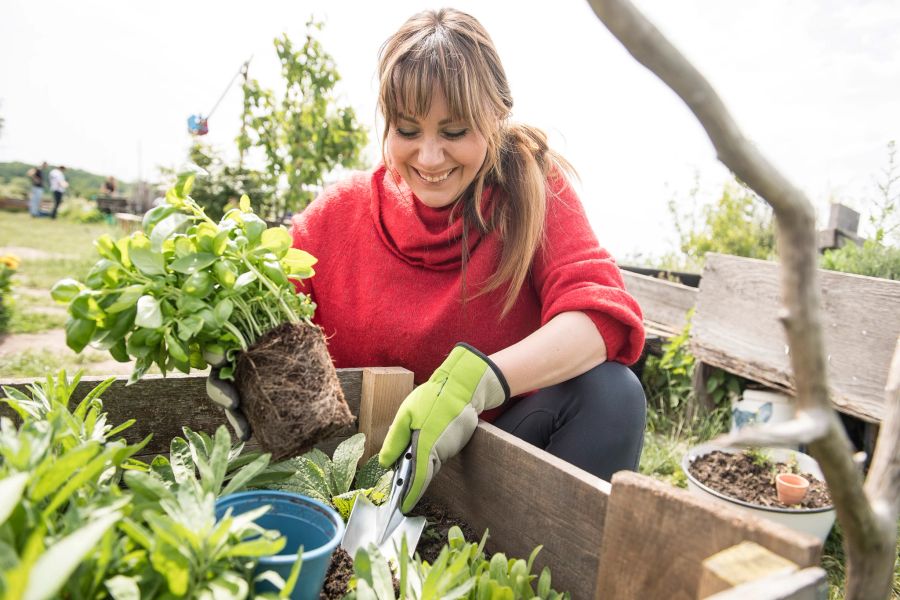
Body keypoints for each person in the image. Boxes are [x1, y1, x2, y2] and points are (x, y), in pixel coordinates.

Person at [211, 8, 647, 513]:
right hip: (359, 477)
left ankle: (542, 573)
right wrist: (238, 358)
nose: (430, 157)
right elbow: (271, 306)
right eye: (408, 130)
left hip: (490, 467)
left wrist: (475, 384)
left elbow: (599, 317)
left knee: (612, 395)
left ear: (495, 117)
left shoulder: (533, 191)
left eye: (455, 131)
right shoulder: (337, 218)